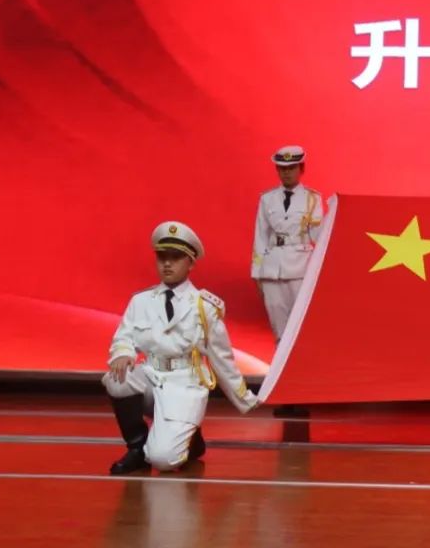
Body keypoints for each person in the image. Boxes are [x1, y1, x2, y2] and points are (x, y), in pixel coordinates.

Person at [103, 222, 259, 475]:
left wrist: (246, 398)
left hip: (184, 384)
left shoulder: (204, 306)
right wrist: (123, 353)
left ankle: (191, 438)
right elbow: (124, 337)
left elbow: (222, 358)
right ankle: (137, 447)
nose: (167, 264)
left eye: (176, 258)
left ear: (190, 262)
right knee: (116, 378)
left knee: (163, 461)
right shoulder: (141, 301)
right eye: (162, 257)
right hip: (151, 375)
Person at [251, 145, 324, 341]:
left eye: (292, 168)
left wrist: (319, 272)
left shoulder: (312, 199)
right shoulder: (267, 199)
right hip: (272, 269)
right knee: (279, 329)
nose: (287, 172)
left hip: (301, 268)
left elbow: (318, 236)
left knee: (301, 327)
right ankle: (280, 361)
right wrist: (257, 273)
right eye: (282, 168)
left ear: (301, 169)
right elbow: (260, 237)